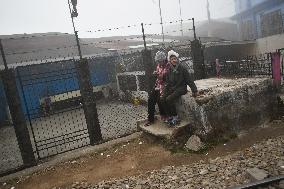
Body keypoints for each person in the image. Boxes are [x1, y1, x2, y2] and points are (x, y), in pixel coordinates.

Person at [162, 50, 198, 126]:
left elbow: (189, 80)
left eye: (175, 59)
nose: (174, 60)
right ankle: (170, 116)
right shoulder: (170, 70)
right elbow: (168, 82)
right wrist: (165, 91)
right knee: (162, 98)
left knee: (169, 99)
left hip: (181, 88)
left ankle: (175, 117)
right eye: (172, 59)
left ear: (177, 59)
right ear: (170, 61)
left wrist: (194, 90)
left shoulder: (182, 69)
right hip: (173, 88)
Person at [145, 51, 170, 126]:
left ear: (164, 59)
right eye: (158, 61)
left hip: (166, 85)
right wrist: (155, 74)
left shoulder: (168, 65)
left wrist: (161, 77)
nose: (159, 62)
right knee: (150, 99)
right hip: (158, 85)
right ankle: (150, 119)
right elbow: (158, 76)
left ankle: (164, 116)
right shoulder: (158, 66)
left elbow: (169, 78)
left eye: (160, 61)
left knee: (160, 99)